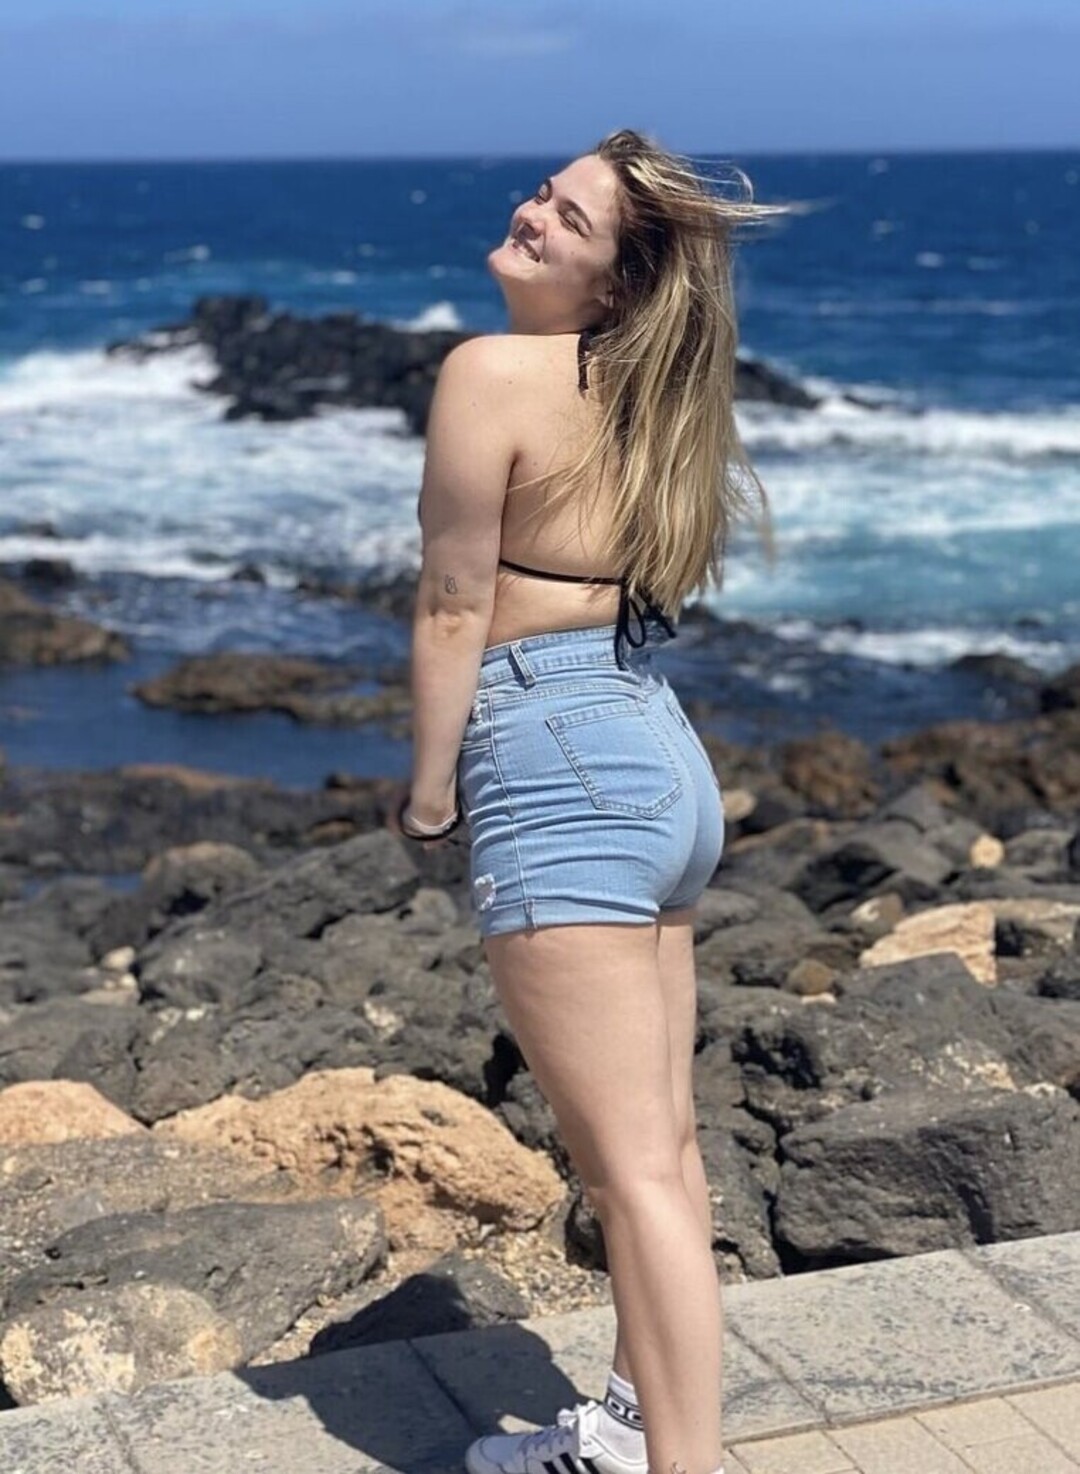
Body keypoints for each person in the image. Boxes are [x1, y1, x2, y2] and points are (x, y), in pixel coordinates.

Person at [397, 128, 782, 1474]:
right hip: (657, 754)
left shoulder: (488, 373)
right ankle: (623, 1431)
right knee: (663, 1152)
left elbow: (454, 602)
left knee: (630, 1177)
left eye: (569, 217)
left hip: (554, 755)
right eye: (543, 194)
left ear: (616, 283)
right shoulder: (658, 400)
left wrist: (431, 795)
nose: (533, 214)